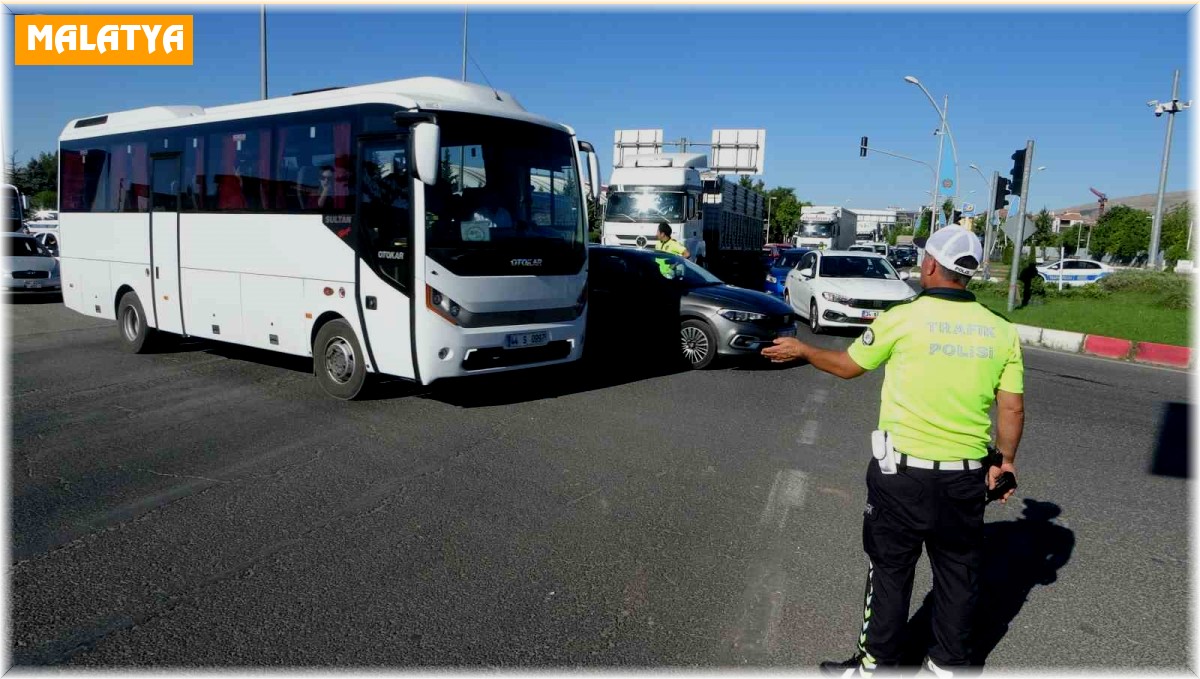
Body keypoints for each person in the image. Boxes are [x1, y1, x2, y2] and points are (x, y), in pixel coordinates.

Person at [761, 225, 1025, 678]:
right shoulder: (1001, 331)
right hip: (964, 479)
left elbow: (847, 366)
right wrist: (1004, 462)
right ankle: (948, 665)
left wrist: (805, 350)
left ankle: (877, 666)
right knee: (958, 576)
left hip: (900, 476)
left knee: (890, 572)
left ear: (930, 264)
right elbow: (1013, 407)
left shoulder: (903, 317)